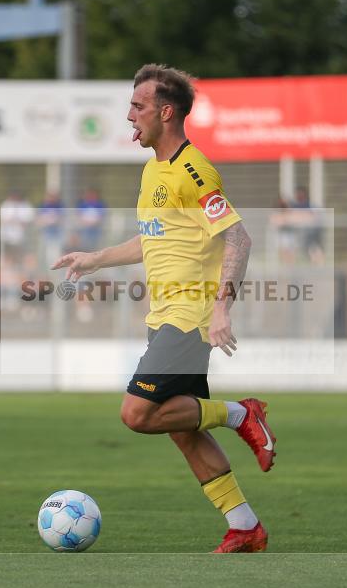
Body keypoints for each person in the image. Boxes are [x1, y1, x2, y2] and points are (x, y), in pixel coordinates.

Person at [52, 64, 275, 553]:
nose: (129, 116)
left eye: (138, 107)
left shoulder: (194, 170)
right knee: (183, 431)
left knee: (137, 414)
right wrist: (96, 259)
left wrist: (222, 308)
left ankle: (241, 414)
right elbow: (153, 240)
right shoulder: (154, 168)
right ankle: (246, 528)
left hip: (189, 317)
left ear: (165, 111)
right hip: (164, 317)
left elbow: (238, 236)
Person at [0, 191, 35, 256]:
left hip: (23, 237)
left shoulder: (26, 205)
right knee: (8, 254)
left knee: (22, 255)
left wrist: (20, 222)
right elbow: (1, 219)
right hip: (7, 237)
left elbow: (30, 219)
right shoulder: (5, 205)